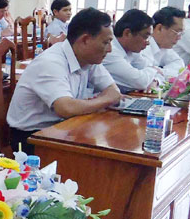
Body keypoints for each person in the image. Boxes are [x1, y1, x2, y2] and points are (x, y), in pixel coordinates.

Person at [7, 8, 121, 154]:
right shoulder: (51, 62)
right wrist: (106, 100)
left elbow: (113, 90)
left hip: (64, 127)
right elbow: (66, 108)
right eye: (106, 42)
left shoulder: (89, 59)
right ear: (85, 40)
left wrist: (105, 98)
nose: (110, 49)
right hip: (32, 137)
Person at [101, 9, 159, 93]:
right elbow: (140, 82)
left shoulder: (131, 50)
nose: (148, 42)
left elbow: (149, 69)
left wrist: (154, 80)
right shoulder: (110, 52)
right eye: (145, 37)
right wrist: (154, 69)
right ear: (127, 33)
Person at [140, 6, 186, 79]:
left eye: (181, 33)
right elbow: (147, 76)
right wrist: (159, 73)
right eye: (177, 32)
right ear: (159, 28)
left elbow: (179, 65)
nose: (179, 37)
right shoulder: (143, 46)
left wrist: (161, 72)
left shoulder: (164, 46)